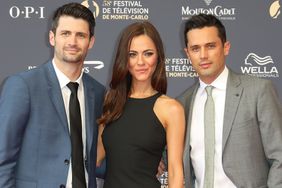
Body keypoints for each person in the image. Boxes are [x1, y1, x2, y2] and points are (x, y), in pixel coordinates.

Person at [0, 3, 105, 188]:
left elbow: (94, 158)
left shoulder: (97, 92)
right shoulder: (23, 86)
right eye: (65, 33)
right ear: (52, 37)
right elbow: (3, 159)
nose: (72, 42)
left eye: (80, 35)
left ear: (91, 42)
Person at [177, 13, 282, 188]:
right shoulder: (182, 103)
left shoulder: (258, 91)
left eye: (210, 46)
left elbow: (279, 156)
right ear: (187, 54)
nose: (203, 55)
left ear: (226, 47)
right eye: (195, 48)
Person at [96, 21, 185, 188]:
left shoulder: (171, 109)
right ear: (124, 58)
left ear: (158, 56)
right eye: (132, 54)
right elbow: (96, 158)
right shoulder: (111, 101)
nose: (140, 62)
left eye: (148, 53)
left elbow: (175, 171)